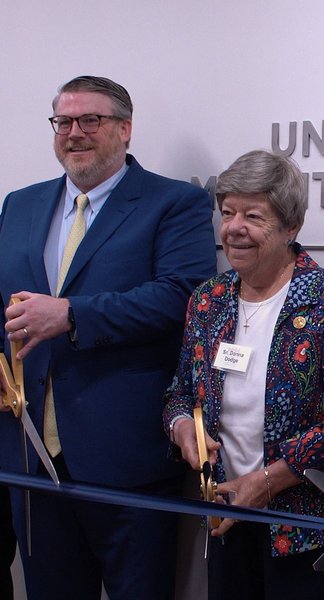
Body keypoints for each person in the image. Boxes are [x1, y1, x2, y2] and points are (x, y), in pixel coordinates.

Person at [0, 75, 217, 599]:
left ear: (124, 129)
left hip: (125, 458)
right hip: (30, 455)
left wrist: (72, 314)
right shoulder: (20, 204)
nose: (74, 133)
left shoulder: (175, 203)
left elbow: (183, 297)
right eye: (63, 122)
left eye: (90, 121)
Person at [163, 149, 324, 600]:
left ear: (291, 226)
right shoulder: (207, 300)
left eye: (253, 215)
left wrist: (267, 482)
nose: (234, 227)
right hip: (225, 514)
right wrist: (182, 425)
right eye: (227, 213)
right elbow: (180, 392)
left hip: (306, 526)